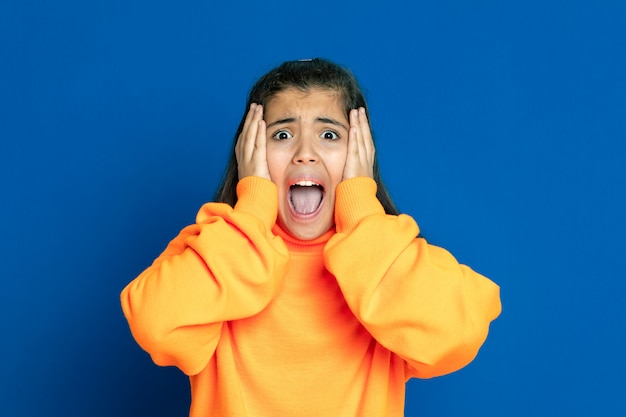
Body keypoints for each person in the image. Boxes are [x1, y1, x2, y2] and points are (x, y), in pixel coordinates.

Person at [120, 58, 501, 417]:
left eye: (329, 134)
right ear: (250, 153)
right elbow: (155, 323)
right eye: (282, 134)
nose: (305, 153)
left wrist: (362, 212)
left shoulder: (388, 260)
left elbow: (458, 334)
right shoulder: (215, 252)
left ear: (360, 153)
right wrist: (252, 208)